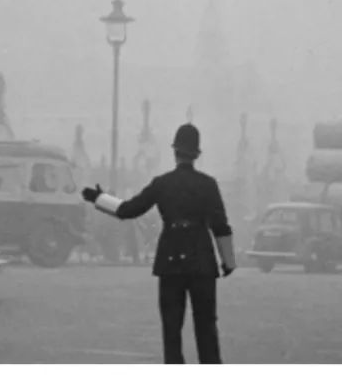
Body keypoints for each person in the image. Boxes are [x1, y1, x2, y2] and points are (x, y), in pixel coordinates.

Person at [82, 123, 236, 364]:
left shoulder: (162, 184)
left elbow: (128, 210)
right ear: (196, 154)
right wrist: (228, 261)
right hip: (202, 261)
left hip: (170, 260)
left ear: (175, 152)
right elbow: (221, 226)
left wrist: (99, 198)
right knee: (206, 328)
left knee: (171, 331)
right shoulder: (208, 185)